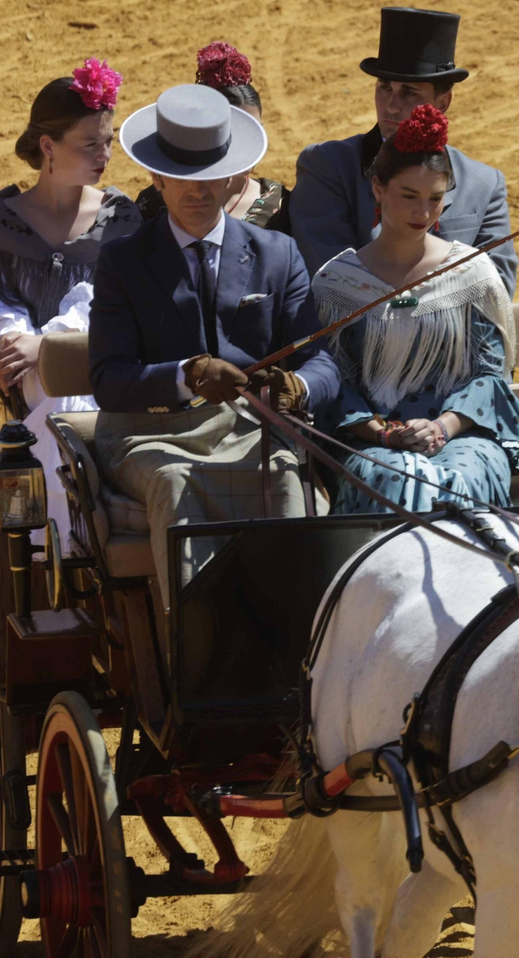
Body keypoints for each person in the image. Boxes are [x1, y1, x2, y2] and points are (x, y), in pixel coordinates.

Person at [88, 83, 339, 607]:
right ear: (157, 177)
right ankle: (194, 657)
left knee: (285, 478)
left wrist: (296, 386)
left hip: (252, 431)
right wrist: (187, 374)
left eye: (211, 178)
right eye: (183, 179)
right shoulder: (122, 261)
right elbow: (109, 380)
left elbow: (322, 360)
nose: (199, 192)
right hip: (148, 434)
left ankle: (296, 650)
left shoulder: (279, 253)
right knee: (177, 481)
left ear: (234, 176)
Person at [0, 59, 141, 539]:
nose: (104, 154)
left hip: (103, 378)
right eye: (89, 144)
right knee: (44, 383)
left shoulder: (123, 218)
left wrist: (49, 350)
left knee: (59, 382)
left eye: (108, 140)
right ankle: (74, 531)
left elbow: (122, 315)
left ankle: (65, 536)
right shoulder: (1, 217)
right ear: (48, 146)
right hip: (25, 387)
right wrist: (17, 346)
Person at [311, 104, 519, 515]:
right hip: (371, 441)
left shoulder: (472, 275)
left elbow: (489, 375)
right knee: (400, 480)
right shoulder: (338, 284)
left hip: (461, 435)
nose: (423, 213)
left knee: (461, 481)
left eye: (435, 199)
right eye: (409, 196)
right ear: (378, 189)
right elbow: (332, 382)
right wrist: (385, 434)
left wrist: (440, 427)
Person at [291, 6, 518, 295]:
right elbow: (331, 280)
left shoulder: (485, 185)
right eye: (384, 88)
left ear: (443, 102)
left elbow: (497, 290)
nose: (392, 105)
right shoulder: (327, 167)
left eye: (409, 93)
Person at [137, 41, 290, 232]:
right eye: (234, 134)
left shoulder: (282, 205)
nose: (250, 145)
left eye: (255, 131)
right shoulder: (155, 203)